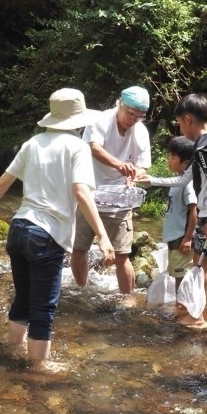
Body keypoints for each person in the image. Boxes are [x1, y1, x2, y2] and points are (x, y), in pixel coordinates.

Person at [0, 88, 114, 373]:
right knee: (43, 308)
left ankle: (14, 350)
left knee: (23, 297)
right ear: (78, 120)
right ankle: (38, 368)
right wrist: (103, 236)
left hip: (18, 229)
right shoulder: (77, 148)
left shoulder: (33, 143)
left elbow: (3, 182)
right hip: (47, 235)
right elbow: (81, 192)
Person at [70, 86, 152, 300]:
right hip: (89, 194)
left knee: (122, 254)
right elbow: (93, 148)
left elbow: (143, 165)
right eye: (130, 114)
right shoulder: (101, 121)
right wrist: (119, 165)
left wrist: (134, 174)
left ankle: (128, 298)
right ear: (119, 104)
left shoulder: (140, 130)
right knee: (79, 249)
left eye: (139, 116)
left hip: (120, 199)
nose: (132, 119)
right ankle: (82, 290)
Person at [139, 136, 202, 325]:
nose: (169, 160)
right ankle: (180, 306)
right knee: (176, 273)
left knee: (181, 274)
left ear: (186, 162)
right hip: (175, 236)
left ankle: (185, 309)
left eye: (173, 157)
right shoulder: (178, 181)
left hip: (182, 237)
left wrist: (189, 238)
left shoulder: (188, 184)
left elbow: (194, 211)